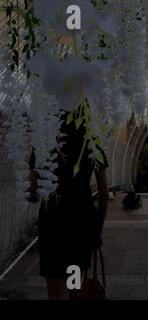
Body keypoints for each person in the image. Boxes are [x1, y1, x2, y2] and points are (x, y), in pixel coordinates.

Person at [29, 100, 109, 300]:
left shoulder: (45, 138)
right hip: (82, 219)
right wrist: (97, 230)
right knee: (74, 283)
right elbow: (104, 193)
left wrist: (35, 194)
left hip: (53, 219)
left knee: (56, 284)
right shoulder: (92, 140)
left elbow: (32, 186)